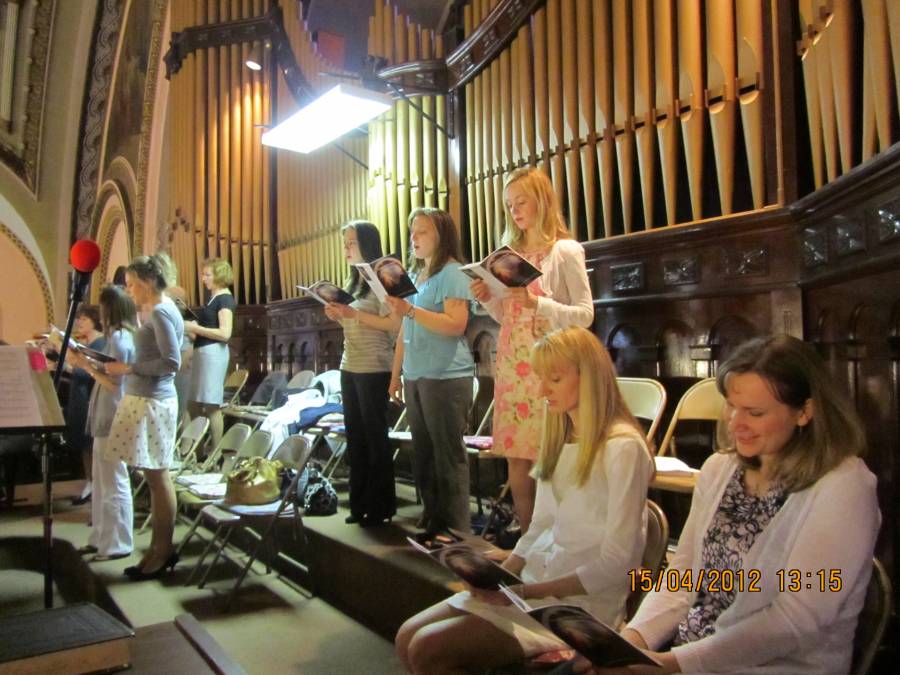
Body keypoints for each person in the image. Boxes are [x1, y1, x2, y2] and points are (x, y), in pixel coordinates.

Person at [578, 334, 880, 675]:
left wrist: (671, 664)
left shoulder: (844, 484)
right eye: (731, 405)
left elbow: (797, 619)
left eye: (754, 412)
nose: (735, 423)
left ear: (805, 412)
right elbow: (683, 576)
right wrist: (629, 644)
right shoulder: (721, 468)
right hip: (688, 658)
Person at [395, 326, 654, 674]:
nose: (542, 390)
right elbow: (541, 525)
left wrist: (527, 591)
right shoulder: (559, 436)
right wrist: (501, 574)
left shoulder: (623, 448)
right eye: (540, 378)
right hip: (534, 587)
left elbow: (618, 563)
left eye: (554, 379)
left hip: (577, 607)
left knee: (429, 649)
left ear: (589, 377)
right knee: (406, 636)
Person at [470, 167, 593, 534]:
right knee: (517, 459)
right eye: (509, 205)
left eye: (521, 202)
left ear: (542, 200)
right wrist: (487, 298)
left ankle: (558, 544)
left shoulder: (565, 251)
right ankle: (528, 540)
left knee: (551, 460)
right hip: (513, 363)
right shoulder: (509, 255)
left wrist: (538, 303)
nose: (514, 211)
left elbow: (585, 315)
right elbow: (507, 316)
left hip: (551, 365)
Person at [385, 207, 475, 538]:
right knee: (424, 454)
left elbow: (456, 324)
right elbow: (404, 331)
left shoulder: (452, 273)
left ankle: (456, 529)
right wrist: (396, 374)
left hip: (446, 376)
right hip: (416, 374)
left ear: (441, 235)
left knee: (447, 456)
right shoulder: (415, 276)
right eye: (412, 231)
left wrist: (410, 309)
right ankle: (434, 518)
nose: (414, 238)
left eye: (422, 231)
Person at [105, 254, 184, 580]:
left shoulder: (162, 311)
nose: (129, 291)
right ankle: (155, 549)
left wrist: (129, 368)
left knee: (158, 477)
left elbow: (171, 362)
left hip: (155, 401)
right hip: (147, 398)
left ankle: (162, 552)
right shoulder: (155, 309)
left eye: (132, 284)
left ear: (149, 281)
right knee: (153, 478)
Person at [323, 221, 401, 526]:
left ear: (367, 244)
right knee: (355, 436)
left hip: (374, 366)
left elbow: (394, 324)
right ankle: (359, 505)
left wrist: (354, 314)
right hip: (350, 364)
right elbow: (355, 322)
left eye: (351, 242)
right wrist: (339, 316)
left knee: (374, 437)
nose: (346, 248)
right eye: (344, 243)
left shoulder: (382, 278)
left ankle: (380, 507)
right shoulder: (352, 280)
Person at [70, 285, 136, 561]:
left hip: (114, 413)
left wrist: (85, 365)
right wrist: (87, 361)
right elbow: (107, 371)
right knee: (101, 482)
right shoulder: (116, 337)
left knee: (113, 481)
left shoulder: (121, 338)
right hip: (106, 412)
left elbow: (115, 382)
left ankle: (117, 543)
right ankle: (100, 538)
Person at [184, 258, 235, 449]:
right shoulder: (213, 298)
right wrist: (192, 330)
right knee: (193, 404)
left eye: (207, 275)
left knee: (211, 405)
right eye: (203, 274)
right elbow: (206, 331)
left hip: (213, 355)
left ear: (219, 276)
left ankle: (215, 454)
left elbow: (225, 333)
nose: (203, 279)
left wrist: (195, 328)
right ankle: (194, 452)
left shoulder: (224, 299)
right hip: (204, 353)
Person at [67, 304, 106, 505]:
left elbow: (88, 372)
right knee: (84, 444)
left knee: (90, 444)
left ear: (94, 321)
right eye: (79, 318)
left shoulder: (100, 343)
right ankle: (89, 482)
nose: (79, 322)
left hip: (89, 397)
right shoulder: (86, 342)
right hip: (79, 397)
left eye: (84, 319)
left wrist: (66, 364)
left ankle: (95, 485)